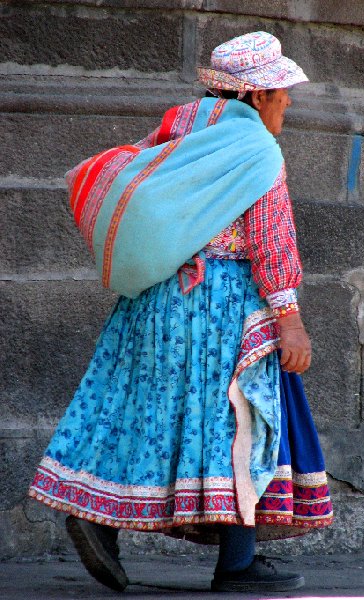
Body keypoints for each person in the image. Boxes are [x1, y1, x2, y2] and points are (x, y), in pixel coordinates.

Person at [29, 31, 333, 593]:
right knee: (238, 423)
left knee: (138, 410)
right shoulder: (256, 149)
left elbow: (141, 188)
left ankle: (98, 523)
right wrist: (289, 316)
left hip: (155, 300)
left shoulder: (178, 128)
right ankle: (237, 567)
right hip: (222, 304)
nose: (287, 101)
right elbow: (271, 239)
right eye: (282, 91)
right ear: (258, 95)